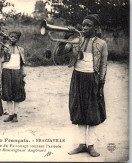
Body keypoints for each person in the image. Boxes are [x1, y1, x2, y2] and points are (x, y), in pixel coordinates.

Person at [58, 14, 108, 157]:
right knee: (78, 110)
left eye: (88, 25)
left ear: (96, 28)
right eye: (83, 25)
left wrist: (101, 83)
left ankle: (91, 145)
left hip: (93, 78)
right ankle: (81, 144)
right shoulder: (76, 41)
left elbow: (104, 65)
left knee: (92, 112)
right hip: (78, 77)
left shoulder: (102, 43)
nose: (84, 27)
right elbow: (60, 53)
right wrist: (65, 37)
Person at [2, 31, 26, 123]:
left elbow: (22, 63)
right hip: (6, 71)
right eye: (11, 37)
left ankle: (15, 114)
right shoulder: (5, 47)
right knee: (8, 94)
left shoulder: (20, 49)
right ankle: (10, 114)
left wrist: (23, 73)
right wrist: (5, 44)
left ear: (18, 39)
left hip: (16, 72)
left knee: (17, 93)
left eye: (15, 37)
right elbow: (1, 57)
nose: (12, 38)